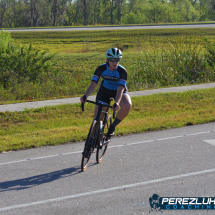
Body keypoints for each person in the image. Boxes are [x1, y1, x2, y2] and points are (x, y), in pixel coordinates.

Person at [80, 47, 132, 141]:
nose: (115, 62)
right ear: (107, 60)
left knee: (127, 105)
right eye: (112, 59)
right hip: (105, 90)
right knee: (97, 118)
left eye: (117, 59)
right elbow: (93, 85)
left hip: (118, 91)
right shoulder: (101, 68)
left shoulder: (122, 71)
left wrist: (117, 102)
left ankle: (112, 126)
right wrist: (85, 96)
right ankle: (90, 142)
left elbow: (120, 89)